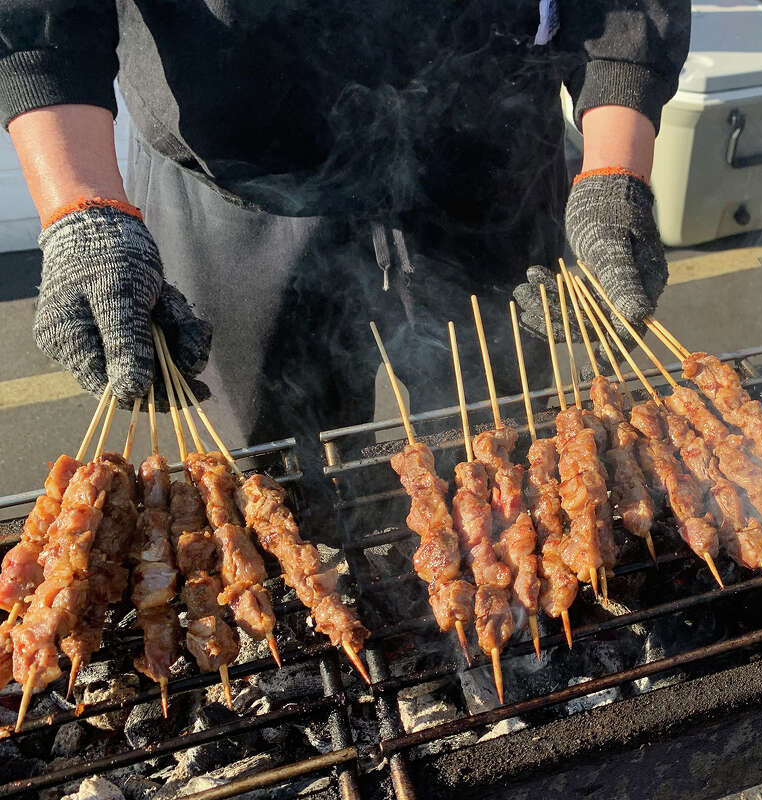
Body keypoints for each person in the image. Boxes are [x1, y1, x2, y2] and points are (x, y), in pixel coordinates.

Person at [0, 2, 690, 484]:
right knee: (279, 469)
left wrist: (612, 175)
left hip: (489, 159)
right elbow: (35, 18)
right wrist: (83, 209)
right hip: (244, 176)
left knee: (501, 438)